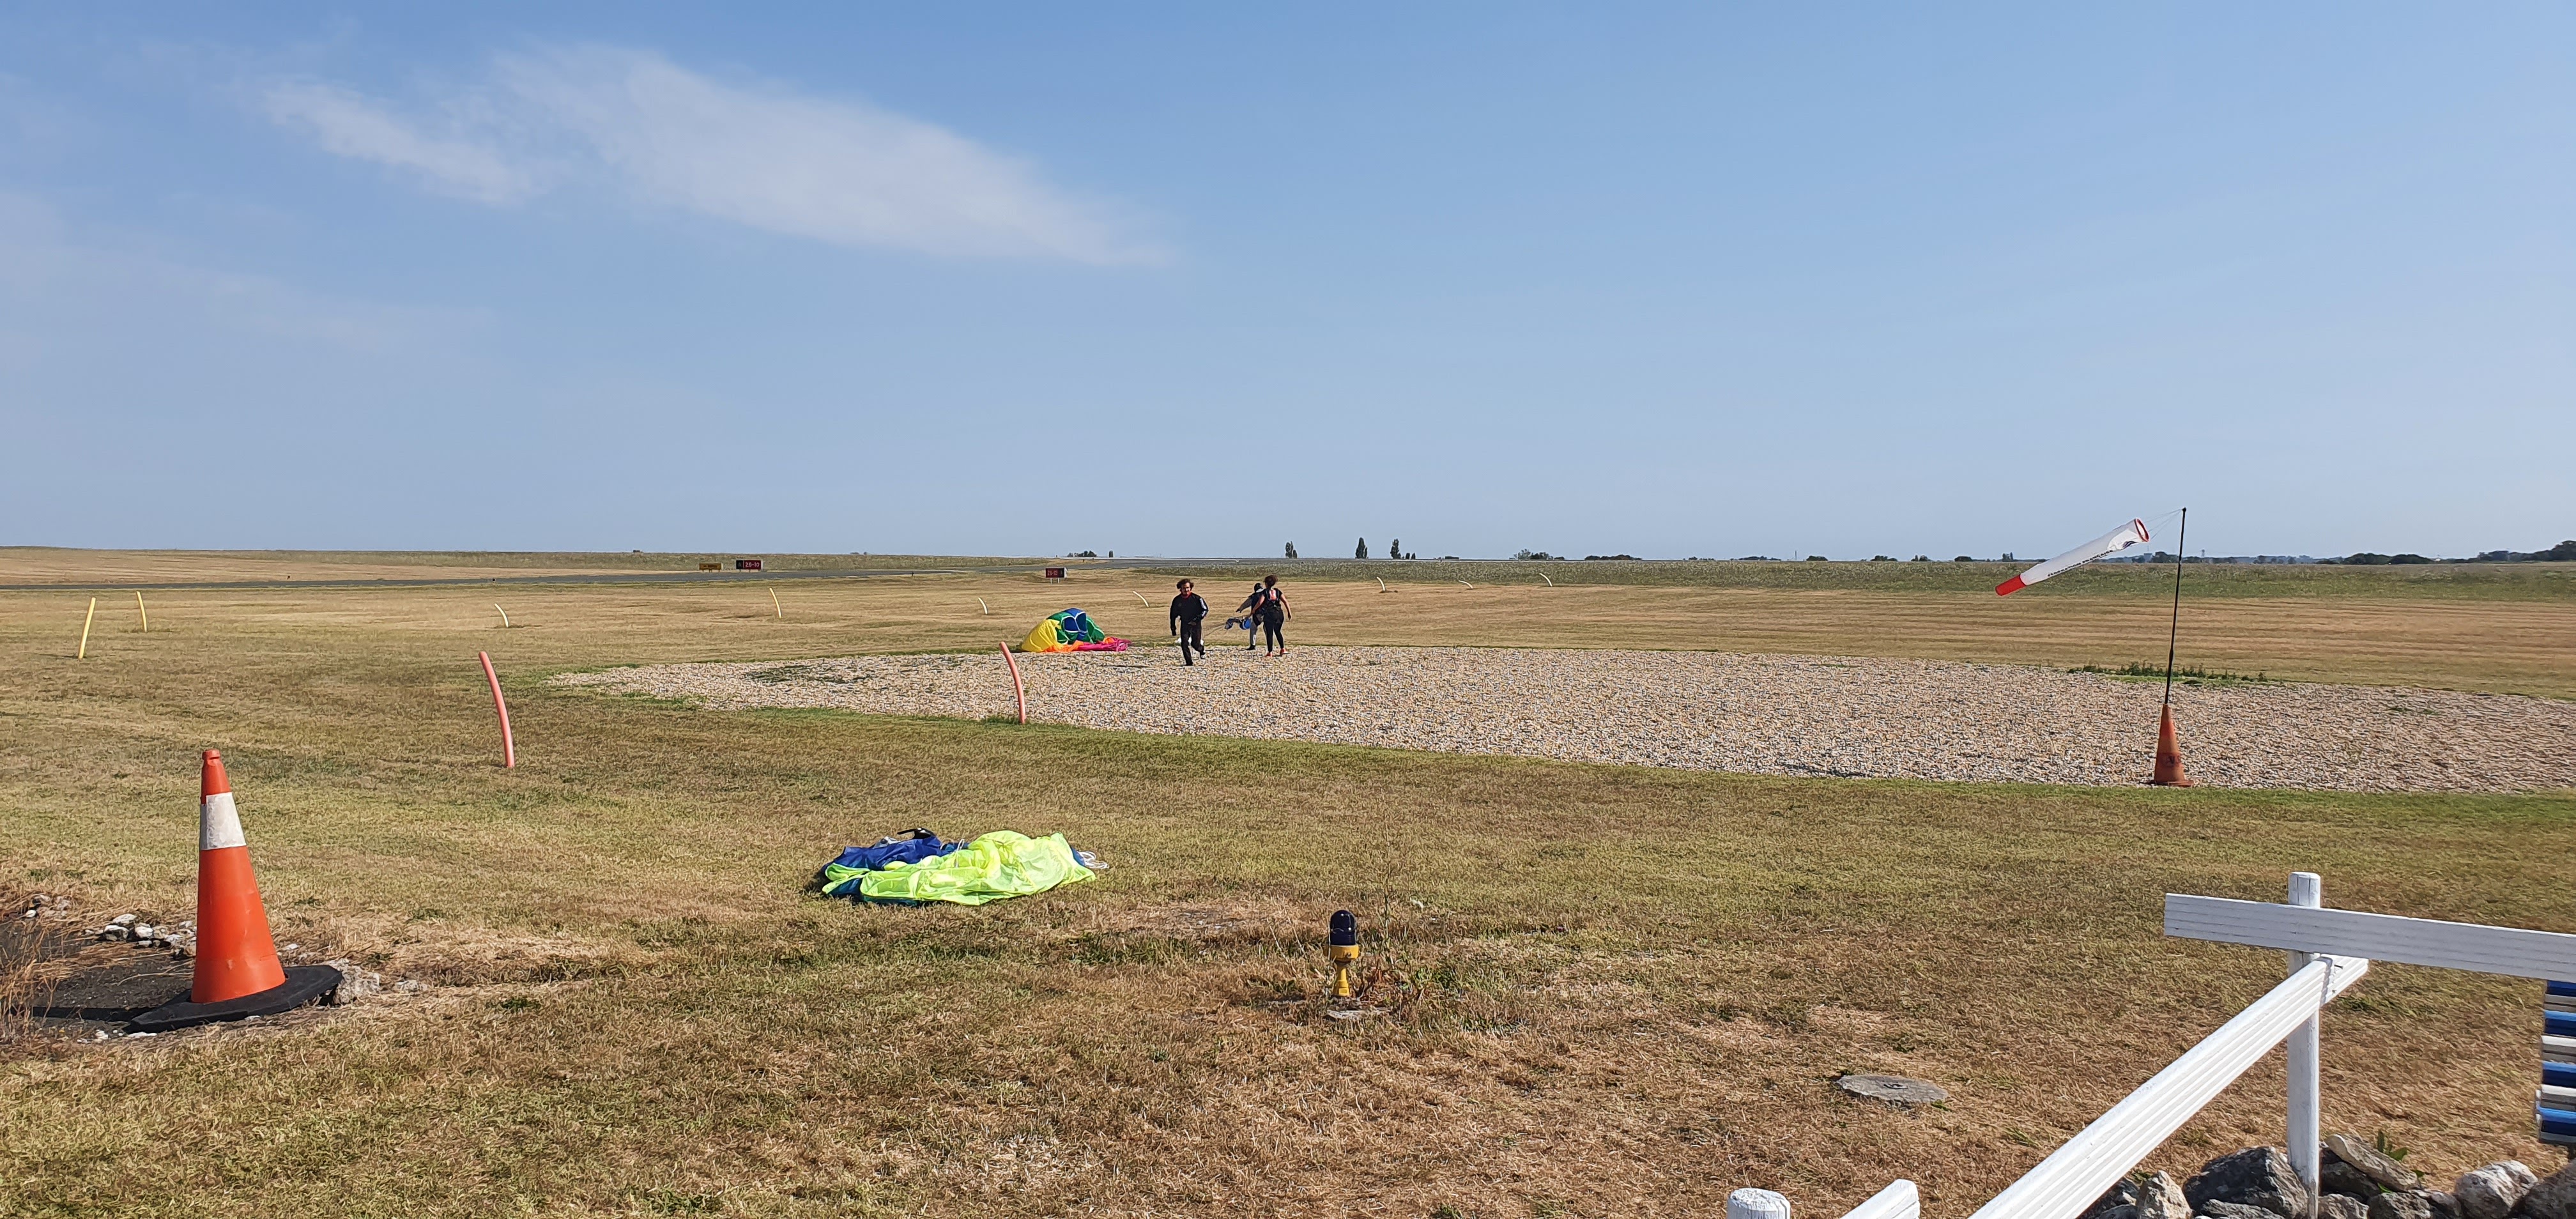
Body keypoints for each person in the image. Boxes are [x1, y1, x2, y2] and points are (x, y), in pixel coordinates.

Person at [1168, 579, 1209, 664]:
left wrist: (1197, 619)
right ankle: (1189, 663)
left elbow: (1205, 610)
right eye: (1184, 588)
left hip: (1196, 624)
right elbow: (1173, 614)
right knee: (1184, 643)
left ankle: (1201, 650)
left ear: (1190, 588)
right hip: (1185, 624)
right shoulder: (1177, 600)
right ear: (1181, 589)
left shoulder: (1197, 599)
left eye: (1187, 588)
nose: (1186, 590)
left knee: (1195, 644)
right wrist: (1173, 627)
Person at [1250, 574, 1289, 656]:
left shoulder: (1265, 592)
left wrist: (1254, 610)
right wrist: (1289, 612)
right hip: (1279, 614)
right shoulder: (1278, 592)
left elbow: (1260, 603)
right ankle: (1283, 649)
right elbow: (1285, 602)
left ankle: (1270, 652)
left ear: (1267, 583)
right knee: (1278, 631)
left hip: (1270, 614)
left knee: (1270, 633)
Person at [1234, 581, 1265, 650]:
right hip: (1267, 615)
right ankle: (1270, 644)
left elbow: (1247, 603)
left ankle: (1253, 645)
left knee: (1253, 628)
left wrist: (1241, 608)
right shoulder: (1266, 594)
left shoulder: (1254, 596)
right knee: (1267, 629)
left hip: (1257, 615)